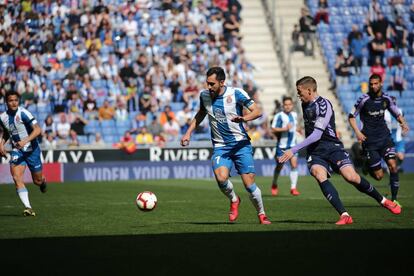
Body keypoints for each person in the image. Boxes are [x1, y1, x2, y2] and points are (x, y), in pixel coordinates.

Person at [279, 76, 401, 225]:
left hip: (332, 147)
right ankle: (344, 215)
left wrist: (293, 150)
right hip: (316, 151)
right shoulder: (305, 104)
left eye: (300, 91)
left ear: (310, 90)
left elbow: (317, 134)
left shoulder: (323, 105)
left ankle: (383, 200)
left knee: (351, 177)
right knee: (319, 174)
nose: (298, 95)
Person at [180, 66, 271, 224]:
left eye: (212, 84)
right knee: (221, 178)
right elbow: (201, 114)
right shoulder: (204, 96)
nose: (208, 87)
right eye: (207, 83)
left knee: (249, 185)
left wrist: (244, 118)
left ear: (222, 82)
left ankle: (262, 215)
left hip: (241, 145)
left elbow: (257, 111)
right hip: (221, 146)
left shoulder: (236, 93)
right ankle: (234, 199)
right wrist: (188, 132)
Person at [349, 74, 409, 205]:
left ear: (381, 83)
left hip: (385, 138)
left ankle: (394, 199)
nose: (373, 86)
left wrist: (403, 123)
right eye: (371, 84)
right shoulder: (363, 99)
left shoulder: (386, 99)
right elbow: (351, 116)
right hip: (370, 142)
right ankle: (367, 164)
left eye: (376, 83)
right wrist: (357, 132)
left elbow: (395, 112)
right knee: (379, 176)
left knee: (393, 166)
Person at [0, 91, 47, 217]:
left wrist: (25, 141)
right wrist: (1, 144)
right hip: (17, 150)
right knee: (16, 177)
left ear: (18, 101)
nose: (14, 102)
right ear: (6, 102)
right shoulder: (2, 117)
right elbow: (6, 131)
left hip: (32, 150)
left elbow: (38, 130)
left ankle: (42, 182)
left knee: (37, 181)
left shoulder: (23, 113)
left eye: (16, 100)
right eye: (10, 100)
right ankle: (28, 207)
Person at [271, 96, 301, 196]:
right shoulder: (279, 116)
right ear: (283, 106)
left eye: (289, 105)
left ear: (292, 105)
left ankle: (293, 188)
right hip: (282, 146)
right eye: (286, 105)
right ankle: (274, 183)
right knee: (279, 166)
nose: (288, 106)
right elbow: (273, 129)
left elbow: (295, 127)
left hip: (293, 145)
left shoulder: (294, 115)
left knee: (294, 165)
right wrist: (284, 129)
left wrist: (298, 130)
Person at [384, 97, 405, 173]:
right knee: (391, 159)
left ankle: (395, 167)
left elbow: (403, 120)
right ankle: (392, 171)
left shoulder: (400, 111)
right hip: (389, 140)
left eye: (394, 102)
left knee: (401, 157)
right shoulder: (384, 113)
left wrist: (403, 128)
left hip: (399, 138)